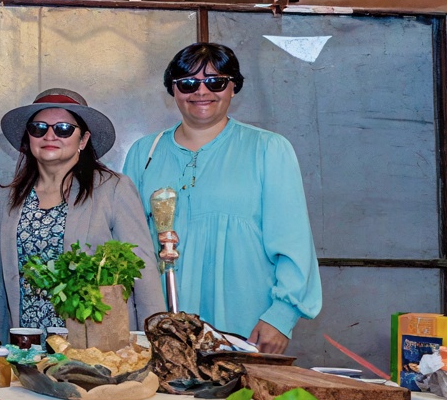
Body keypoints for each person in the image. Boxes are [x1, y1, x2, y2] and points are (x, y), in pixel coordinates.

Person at [122, 44, 320, 354]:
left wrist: (282, 316)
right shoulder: (144, 153)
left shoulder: (268, 148)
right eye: (188, 83)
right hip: (162, 326)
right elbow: (127, 243)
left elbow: (293, 240)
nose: (201, 91)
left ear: (233, 87)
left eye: (215, 81)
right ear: (172, 89)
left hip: (245, 323)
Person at [0, 88, 165, 344]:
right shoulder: (7, 197)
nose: (50, 135)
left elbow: (143, 272)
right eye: (38, 128)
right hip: (25, 349)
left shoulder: (113, 189)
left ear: (83, 140)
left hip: (95, 346)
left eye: (64, 128)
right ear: (28, 138)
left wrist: (154, 340)